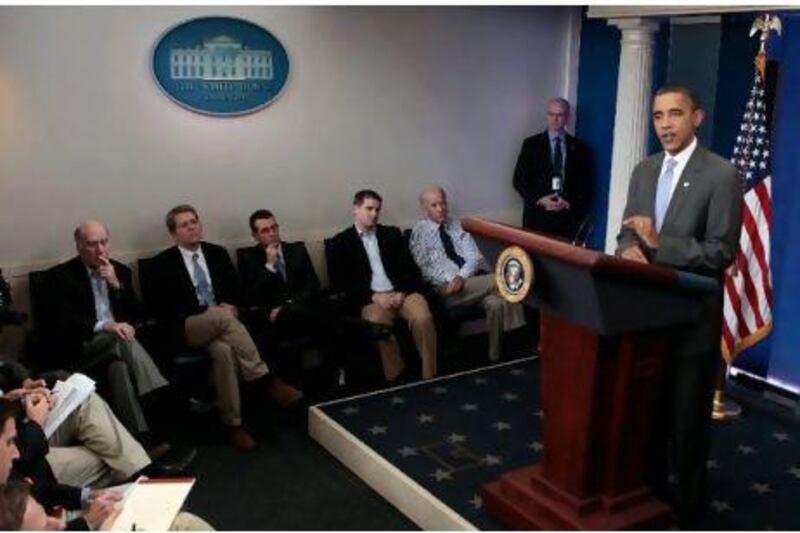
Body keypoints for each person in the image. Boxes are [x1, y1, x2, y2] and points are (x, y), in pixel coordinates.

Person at [615, 85, 742, 527]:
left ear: (697, 118)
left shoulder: (722, 175)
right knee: (646, 415)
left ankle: (687, 510)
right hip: (646, 316)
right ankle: (647, 497)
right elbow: (628, 231)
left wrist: (658, 243)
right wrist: (630, 248)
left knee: (686, 423)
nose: (664, 124)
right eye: (657, 116)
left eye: (674, 114)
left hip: (692, 320)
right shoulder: (643, 170)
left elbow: (721, 253)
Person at [149, 205, 302, 451]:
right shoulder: (161, 264)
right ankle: (266, 380)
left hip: (221, 326)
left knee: (223, 352)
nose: (192, 227)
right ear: (173, 233)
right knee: (221, 317)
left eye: (194, 221)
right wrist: (206, 311)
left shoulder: (217, 254)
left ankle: (233, 425)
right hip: (186, 327)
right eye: (184, 225)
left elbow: (237, 292)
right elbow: (163, 310)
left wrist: (232, 307)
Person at [48, 221, 177, 453]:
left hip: (119, 350)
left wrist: (116, 285)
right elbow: (63, 324)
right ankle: (160, 393)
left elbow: (138, 315)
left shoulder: (120, 271)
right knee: (120, 337)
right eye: (92, 244)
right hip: (82, 349)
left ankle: (139, 442)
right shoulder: (62, 276)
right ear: (79, 246)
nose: (100, 250)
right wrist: (105, 325)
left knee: (120, 370)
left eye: (104, 242)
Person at [327, 190, 437, 380]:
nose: (374, 214)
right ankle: (397, 377)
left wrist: (401, 292)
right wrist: (374, 296)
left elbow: (412, 271)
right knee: (378, 324)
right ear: (355, 209)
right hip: (371, 299)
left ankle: (431, 375)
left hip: (402, 294)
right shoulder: (340, 242)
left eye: (377, 209)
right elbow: (342, 284)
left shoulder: (391, 234)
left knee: (422, 317)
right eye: (369, 208)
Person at [409, 186, 525, 362]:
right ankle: (520, 330)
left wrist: (461, 276)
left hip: (472, 282)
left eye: (443, 203)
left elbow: (474, 257)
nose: (441, 209)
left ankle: (496, 357)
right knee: (503, 279)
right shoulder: (419, 231)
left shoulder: (456, 226)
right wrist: (450, 280)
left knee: (496, 303)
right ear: (425, 209)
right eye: (434, 205)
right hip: (446, 290)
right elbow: (424, 268)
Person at [239, 210, 340, 388]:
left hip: (299, 309)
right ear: (255, 236)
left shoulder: (296, 250)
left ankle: (332, 378)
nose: (272, 233)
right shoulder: (249, 258)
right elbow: (251, 296)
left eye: (274, 227)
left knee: (328, 307)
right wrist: (269, 266)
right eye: (265, 230)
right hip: (274, 318)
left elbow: (312, 284)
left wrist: (289, 306)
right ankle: (285, 385)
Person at [513, 97, 593, 240]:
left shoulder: (580, 149)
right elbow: (518, 180)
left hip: (566, 221)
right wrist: (540, 199)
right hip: (537, 218)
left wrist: (568, 202)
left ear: (567, 118)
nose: (555, 119)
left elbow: (585, 185)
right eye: (551, 114)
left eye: (560, 115)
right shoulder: (531, 144)